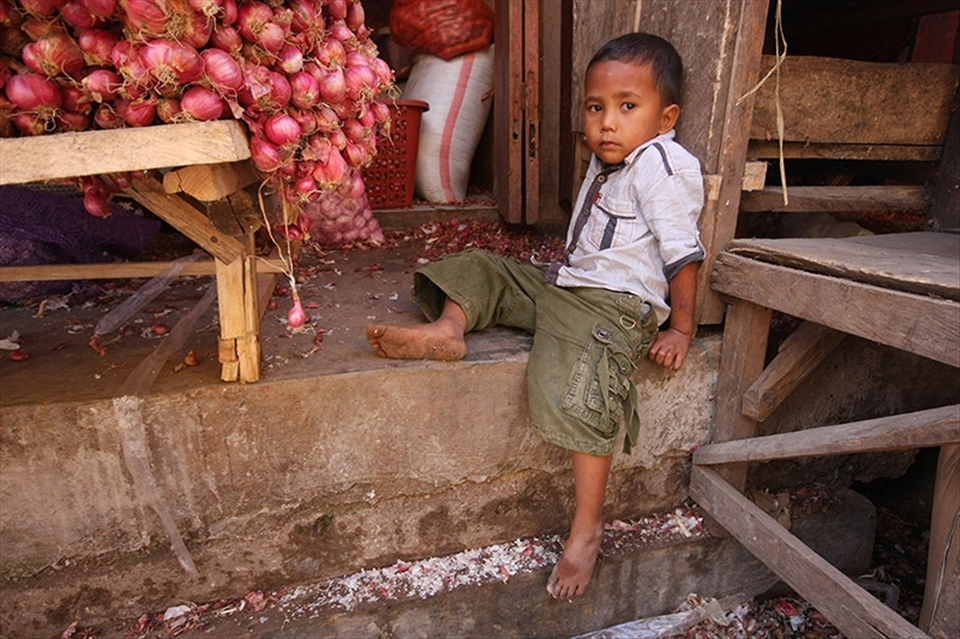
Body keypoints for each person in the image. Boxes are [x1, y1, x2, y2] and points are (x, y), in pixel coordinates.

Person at [367, 32, 705, 599]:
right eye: (596, 108)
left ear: (666, 117)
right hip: (570, 288)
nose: (607, 123)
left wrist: (682, 326)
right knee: (482, 267)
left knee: (576, 383)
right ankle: (449, 329)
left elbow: (684, 252)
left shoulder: (662, 164)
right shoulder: (606, 164)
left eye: (628, 106)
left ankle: (586, 530)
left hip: (612, 308)